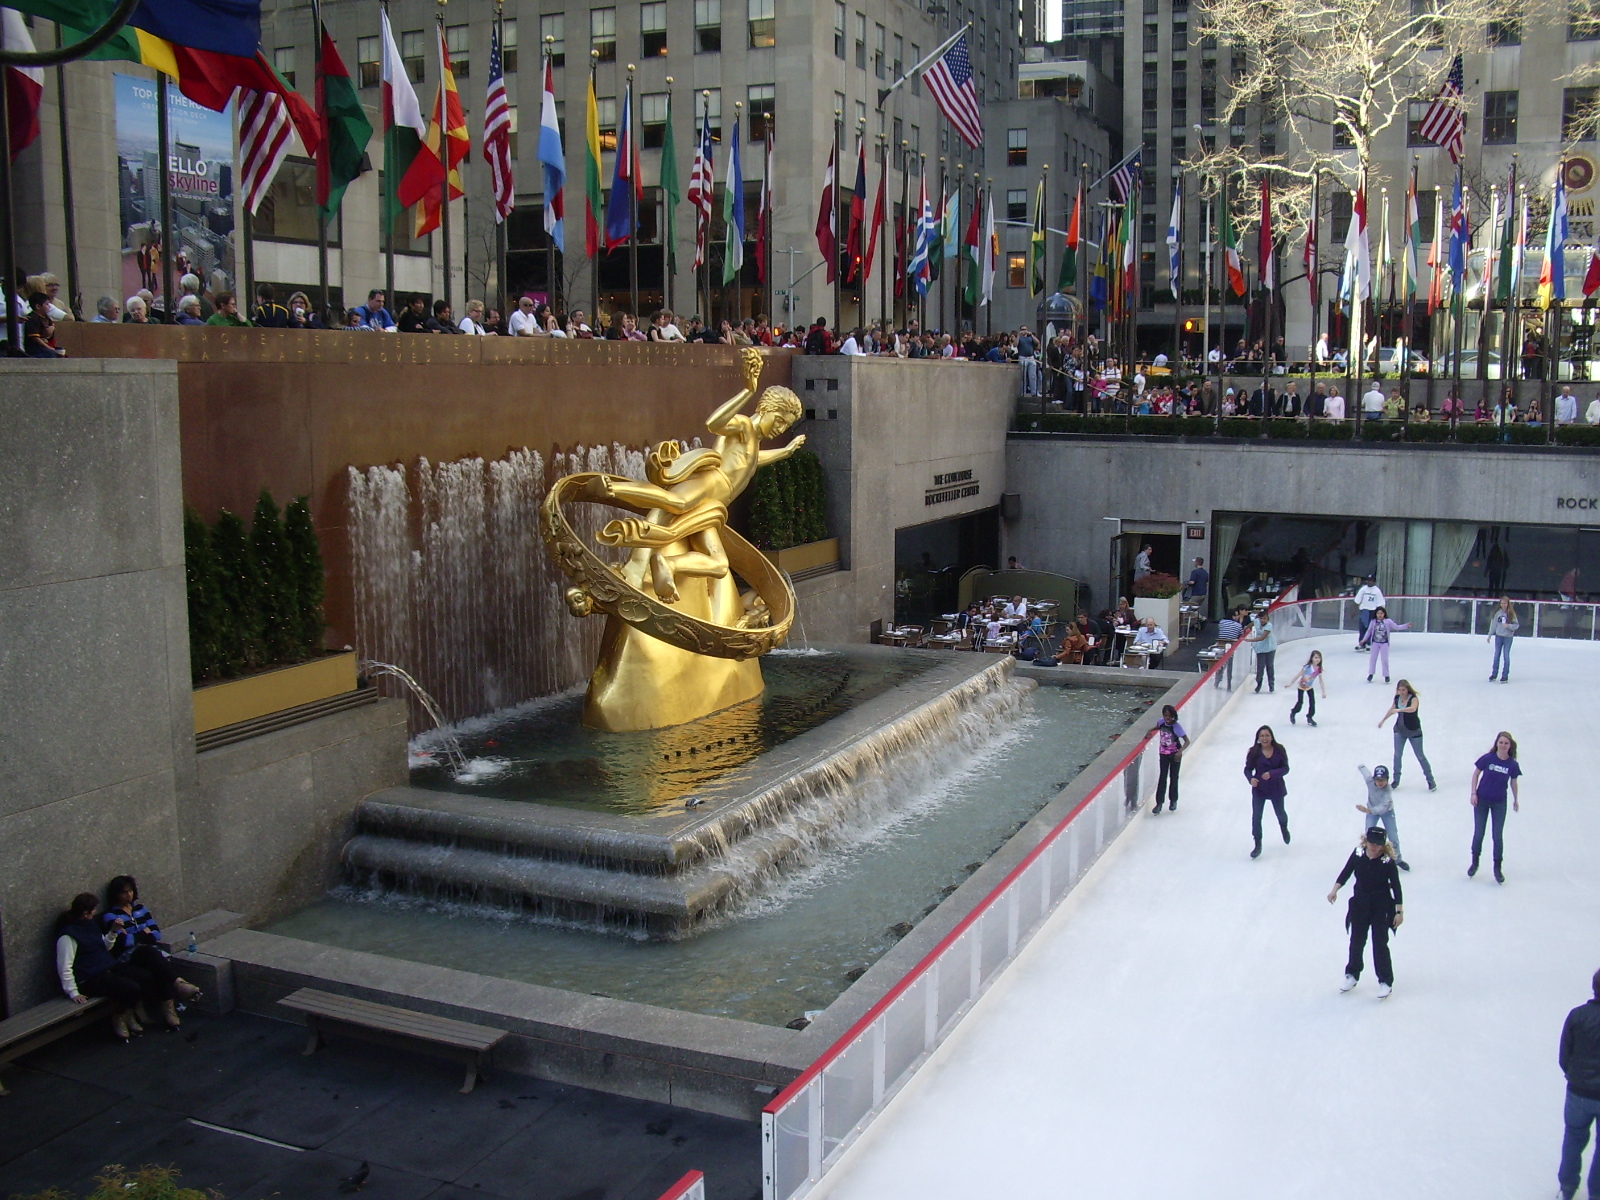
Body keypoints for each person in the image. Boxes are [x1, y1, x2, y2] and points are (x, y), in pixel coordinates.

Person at [100, 875, 201, 1028]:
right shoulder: (111, 915)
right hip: (127, 957)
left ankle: (169, 1007)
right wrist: (143, 933)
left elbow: (156, 934)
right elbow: (122, 943)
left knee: (155, 959)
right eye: (124, 892)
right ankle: (178, 985)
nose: (129, 895)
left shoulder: (141, 909)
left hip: (147, 952)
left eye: (131, 891)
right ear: (115, 894)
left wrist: (137, 935)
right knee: (150, 953)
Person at [55, 893, 153, 1042]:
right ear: (86, 912)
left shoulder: (90, 925)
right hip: (90, 978)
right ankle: (120, 1016)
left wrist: (113, 931)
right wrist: (73, 992)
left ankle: (128, 1012)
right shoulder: (68, 936)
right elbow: (65, 965)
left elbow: (104, 946)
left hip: (107, 968)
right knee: (131, 988)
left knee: (144, 976)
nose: (95, 912)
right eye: (93, 909)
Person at [1327, 827, 1404, 998]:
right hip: (1360, 904)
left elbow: (1396, 886)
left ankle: (1385, 981)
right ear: (1366, 840)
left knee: (1379, 943)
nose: (1374, 847)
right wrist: (1335, 890)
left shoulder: (1387, 862)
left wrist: (1399, 911)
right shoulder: (1358, 854)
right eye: (1371, 843)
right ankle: (1352, 974)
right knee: (1356, 940)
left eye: (1378, 844)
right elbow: (1346, 872)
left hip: (1381, 906)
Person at [1557, 967, 1600, 1200]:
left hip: (1578, 1092)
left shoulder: (1578, 1015)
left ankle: (1567, 1187)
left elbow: (1565, 1053)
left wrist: (1573, 1076)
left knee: (1573, 1137)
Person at [1469, 730, 1521, 883]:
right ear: (1496, 744)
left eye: (1506, 743)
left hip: (1499, 803)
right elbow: (1476, 774)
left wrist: (1516, 799)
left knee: (1497, 836)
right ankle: (1474, 862)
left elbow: (1513, 782)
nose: (1503, 745)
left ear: (1510, 745)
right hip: (1482, 801)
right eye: (1501, 742)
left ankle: (1497, 867)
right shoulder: (1488, 759)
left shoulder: (1512, 764)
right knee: (1479, 832)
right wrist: (1473, 793)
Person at [1379, 678, 1435, 791]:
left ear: (1408, 689)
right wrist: (1383, 720)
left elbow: (1413, 709)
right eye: (1399, 690)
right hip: (1400, 730)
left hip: (1414, 731)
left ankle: (1430, 779)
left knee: (1420, 755)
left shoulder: (1413, 699)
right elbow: (1392, 709)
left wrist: (1400, 711)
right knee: (1397, 755)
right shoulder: (1397, 698)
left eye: (1403, 690)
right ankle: (1396, 780)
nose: (1401, 692)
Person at [1244, 724, 1291, 858]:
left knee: (1280, 813)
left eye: (1267, 735)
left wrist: (1272, 773)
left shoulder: (1279, 749)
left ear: (1271, 737)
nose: (1265, 738)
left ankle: (1284, 827)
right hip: (1260, 789)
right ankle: (1257, 844)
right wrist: (1250, 779)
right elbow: (1247, 769)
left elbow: (1285, 768)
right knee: (1257, 816)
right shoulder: (1254, 752)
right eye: (1262, 736)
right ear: (1258, 738)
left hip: (1276, 787)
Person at [1151, 704, 1189, 814]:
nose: (1167, 718)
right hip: (1163, 755)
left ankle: (1173, 801)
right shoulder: (1161, 722)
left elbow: (1187, 741)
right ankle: (1159, 803)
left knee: (1173, 777)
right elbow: (1158, 727)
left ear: (1173, 716)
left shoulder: (1177, 726)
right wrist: (1150, 730)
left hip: (1175, 755)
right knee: (1162, 777)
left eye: (1169, 716)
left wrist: (1180, 751)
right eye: (1165, 715)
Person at [1359, 604, 1411, 683]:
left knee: (1384, 660)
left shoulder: (1388, 621)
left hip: (1384, 643)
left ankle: (1386, 675)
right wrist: (1364, 639)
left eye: (1381, 613)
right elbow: (1369, 631)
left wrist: (1406, 626)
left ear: (1384, 614)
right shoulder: (1373, 622)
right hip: (1375, 643)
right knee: (1373, 659)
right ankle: (1371, 674)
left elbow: (1397, 627)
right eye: (1378, 613)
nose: (1380, 615)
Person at [1288, 649, 1326, 726]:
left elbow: (1321, 681)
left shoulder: (1319, 669)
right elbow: (1298, 675)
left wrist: (1323, 692)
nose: (1317, 659)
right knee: (1300, 702)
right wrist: (1290, 684)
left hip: (1309, 687)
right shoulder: (1307, 667)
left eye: (1319, 658)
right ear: (1312, 658)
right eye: (1316, 657)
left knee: (1312, 702)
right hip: (1301, 686)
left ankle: (1310, 717)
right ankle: (1293, 712)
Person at [1488, 596, 1519, 682]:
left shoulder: (1512, 614)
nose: (1503, 605)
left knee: (1506, 655)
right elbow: (1493, 624)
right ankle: (1494, 674)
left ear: (1508, 604)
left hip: (1508, 638)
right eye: (1502, 603)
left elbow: (1516, 625)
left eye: (1505, 603)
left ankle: (1505, 675)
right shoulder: (1498, 613)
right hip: (1499, 636)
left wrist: (1509, 626)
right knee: (1497, 655)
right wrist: (1490, 635)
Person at [1214, 605, 1245, 690]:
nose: (1238, 617)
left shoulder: (1221, 622)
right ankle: (1229, 683)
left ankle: (1217, 680)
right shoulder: (1238, 626)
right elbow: (1241, 636)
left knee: (1220, 664)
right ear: (1233, 616)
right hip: (1231, 647)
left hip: (1220, 645)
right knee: (1229, 665)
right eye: (1237, 615)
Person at [23, 292, 63, 356]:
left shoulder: (46, 317)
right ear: (38, 306)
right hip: (35, 348)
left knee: (60, 351)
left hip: (46, 344)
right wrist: (48, 347)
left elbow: (50, 329)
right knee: (50, 354)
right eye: (46, 304)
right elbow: (35, 338)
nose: (49, 307)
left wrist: (52, 328)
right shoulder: (32, 318)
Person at [1247, 609, 1277, 693]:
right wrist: (1245, 628)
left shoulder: (1269, 626)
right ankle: (1258, 684)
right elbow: (1251, 624)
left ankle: (1271, 684)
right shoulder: (1257, 621)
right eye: (1261, 618)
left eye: (1265, 619)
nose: (1263, 620)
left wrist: (1249, 640)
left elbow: (1262, 637)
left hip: (1270, 647)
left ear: (1268, 619)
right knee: (1260, 667)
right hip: (1260, 648)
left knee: (1269, 666)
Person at [1353, 575, 1384, 648]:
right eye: (1368, 580)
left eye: (1371, 580)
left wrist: (1381, 615)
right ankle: (1361, 643)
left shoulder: (1377, 591)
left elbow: (1381, 603)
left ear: (1374, 581)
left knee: (1371, 628)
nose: (1369, 582)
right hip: (1364, 610)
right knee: (1362, 627)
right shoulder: (1363, 589)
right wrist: (1354, 611)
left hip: (1373, 611)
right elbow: (1357, 601)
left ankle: (1369, 643)